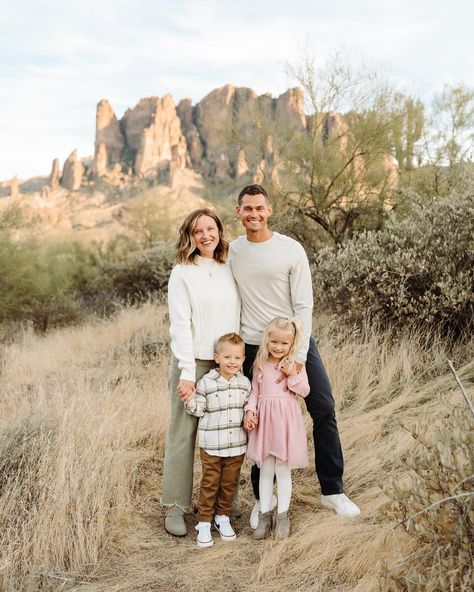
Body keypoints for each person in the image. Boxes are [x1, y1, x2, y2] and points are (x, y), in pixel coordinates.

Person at [230, 184, 360, 526]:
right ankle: (263, 499)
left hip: (294, 343)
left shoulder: (290, 249)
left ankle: (332, 490)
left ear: (269, 210)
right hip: (254, 349)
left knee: (323, 408)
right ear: (238, 211)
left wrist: (298, 355)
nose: (253, 214)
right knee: (256, 419)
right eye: (247, 208)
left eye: (259, 208)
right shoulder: (232, 251)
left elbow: (304, 305)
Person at [161, 209, 241, 537]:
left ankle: (224, 504)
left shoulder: (229, 266)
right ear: (189, 236)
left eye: (211, 228)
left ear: (220, 231)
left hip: (227, 365)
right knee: (184, 435)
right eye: (198, 231)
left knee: (227, 433)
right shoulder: (182, 273)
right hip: (193, 363)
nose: (206, 235)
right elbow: (180, 324)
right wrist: (186, 372)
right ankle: (175, 506)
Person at [244, 317, 310, 539]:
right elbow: (254, 391)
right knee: (265, 470)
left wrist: (292, 375)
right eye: (274, 342)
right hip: (265, 423)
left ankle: (282, 516)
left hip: (285, 424)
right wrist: (250, 411)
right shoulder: (260, 364)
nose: (278, 347)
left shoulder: (295, 366)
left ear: (291, 345)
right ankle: (264, 515)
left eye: (284, 343)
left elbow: (304, 390)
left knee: (282, 471)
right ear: (267, 340)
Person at [185, 332, 251, 548]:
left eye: (237, 358)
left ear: (243, 359)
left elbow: (248, 408)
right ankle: (203, 522)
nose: (232, 362)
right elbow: (198, 409)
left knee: (230, 483)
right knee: (210, 483)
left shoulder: (244, 384)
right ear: (216, 357)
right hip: (212, 445)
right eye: (227, 357)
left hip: (236, 445)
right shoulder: (206, 383)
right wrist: (189, 399)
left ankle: (222, 517)